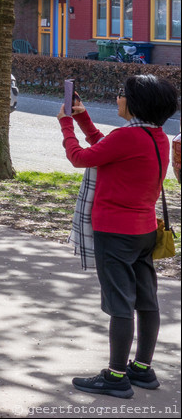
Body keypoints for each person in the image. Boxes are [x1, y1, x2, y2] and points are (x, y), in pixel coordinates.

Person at [59, 74, 177, 398]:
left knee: (120, 304)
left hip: (115, 233)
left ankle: (115, 376)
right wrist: (82, 116)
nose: (118, 99)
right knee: (146, 300)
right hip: (144, 232)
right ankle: (141, 368)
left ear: (135, 104)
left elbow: (80, 157)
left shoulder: (126, 138)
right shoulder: (156, 136)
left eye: (121, 95)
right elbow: (103, 147)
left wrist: (67, 125)